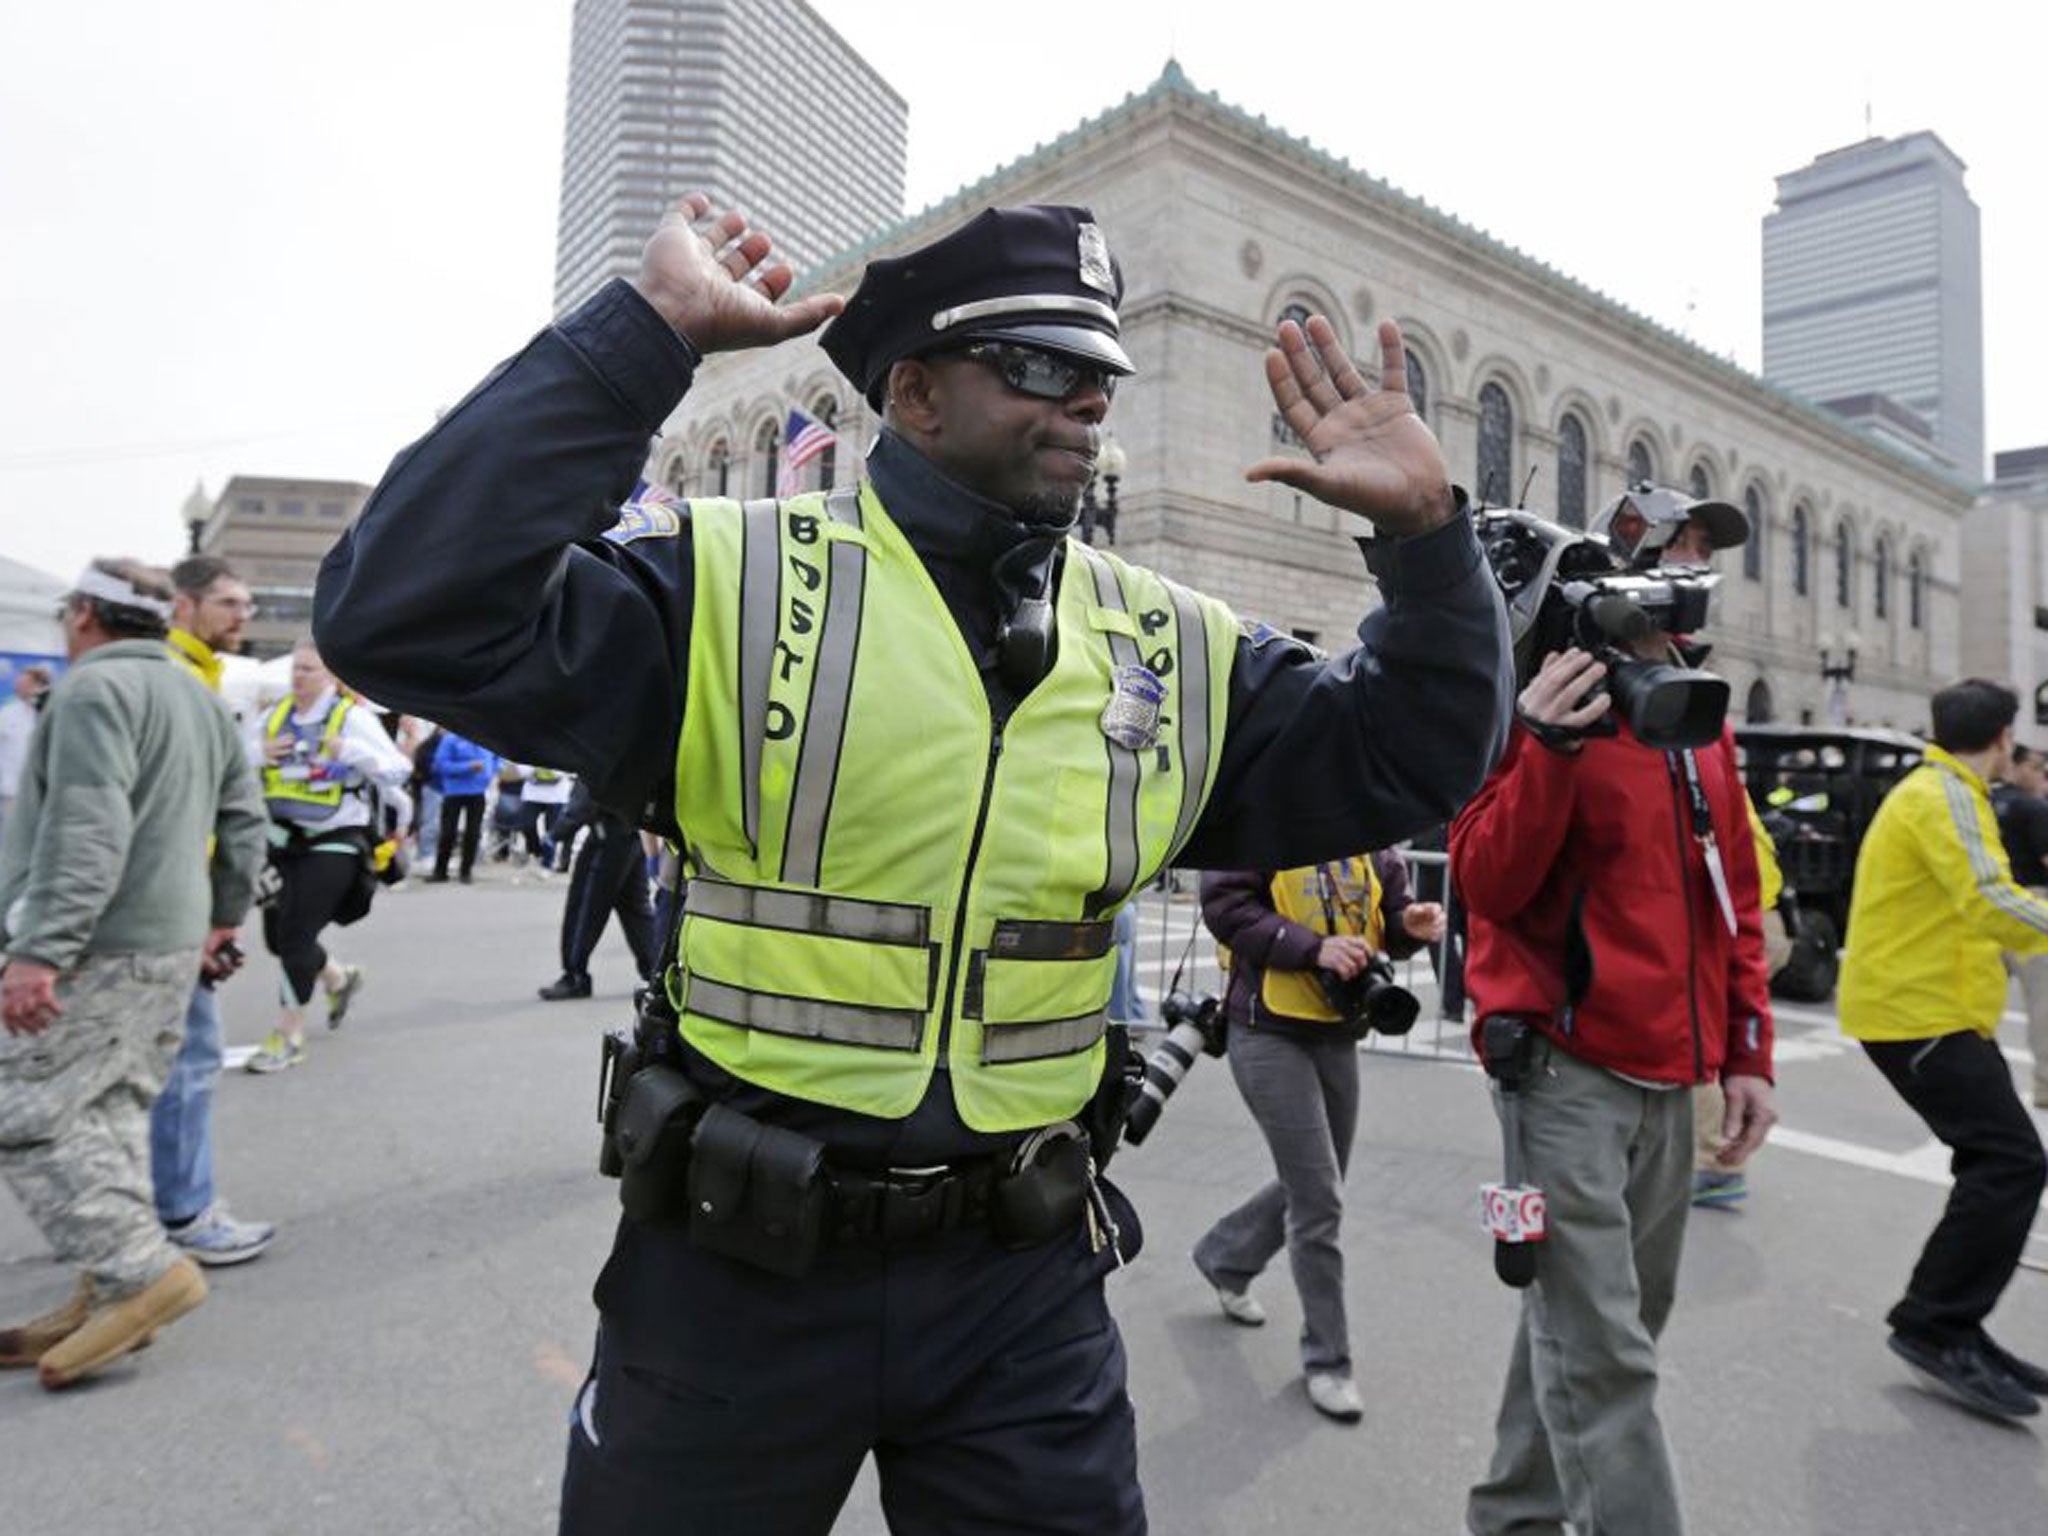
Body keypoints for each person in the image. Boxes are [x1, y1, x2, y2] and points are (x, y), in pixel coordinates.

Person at [313, 191, 1511, 1533]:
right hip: (729, 1282)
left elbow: (1413, 758)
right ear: (917, 392)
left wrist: (1426, 547)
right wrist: (637, 343)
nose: (1086, 406)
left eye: (1102, 377)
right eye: (1042, 369)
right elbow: (397, 615)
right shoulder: (725, 583)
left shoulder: (1176, 647)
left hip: (1025, 1290)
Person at [1455, 485, 1777, 1536]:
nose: (1683, 580)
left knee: (1604, 1327)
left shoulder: (1695, 713)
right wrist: (1545, 744)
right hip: (1560, 1073)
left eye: (1694, 562)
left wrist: (1747, 1051)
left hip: (1672, 1081)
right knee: (1604, 1356)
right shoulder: (1531, 699)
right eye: (1671, 551)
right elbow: (1487, 885)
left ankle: (1509, 1515)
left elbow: (1732, 892)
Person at [0, 560, 265, 1388]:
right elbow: (243, 814)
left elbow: (87, 829)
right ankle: (110, 1287)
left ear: (84, 615)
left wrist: (41, 950)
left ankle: (144, 1274)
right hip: (168, 941)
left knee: (27, 1109)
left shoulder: (88, 693)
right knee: (111, 1109)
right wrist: (222, 917)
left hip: (98, 943)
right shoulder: (194, 694)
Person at [1838, 678, 2048, 1420]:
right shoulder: (1945, 795)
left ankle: (1952, 1322)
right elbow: (1989, 896)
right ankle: (1935, 1324)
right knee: (2011, 1160)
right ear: (2001, 739)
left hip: (1936, 1012)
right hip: (1915, 1015)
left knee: (2000, 1161)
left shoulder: (1945, 790)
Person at [1192, 850, 1442, 1422]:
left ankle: (1226, 1257)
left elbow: (1390, 914)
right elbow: (1225, 905)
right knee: (1319, 1195)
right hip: (1266, 1033)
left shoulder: (1375, 838)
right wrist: (1313, 948)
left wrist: (1409, 926)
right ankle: (1328, 1361)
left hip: (1337, 1033)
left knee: (1317, 1184)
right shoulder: (1266, 812)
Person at [152, 556, 277, 1262]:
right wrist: (217, 914)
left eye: (249, 604)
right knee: (188, 1059)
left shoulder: (197, 676)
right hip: (176, 907)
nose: (242, 616)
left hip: (170, 901)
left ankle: (139, 1204)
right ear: (184, 605)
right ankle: (185, 1211)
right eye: (228, 603)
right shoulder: (181, 679)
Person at [244, 640, 412, 1073]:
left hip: (335, 840)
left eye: (309, 670)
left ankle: (288, 1035)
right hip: (281, 842)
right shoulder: (273, 717)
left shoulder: (351, 718)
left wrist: (353, 754)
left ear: (332, 677)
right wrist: (257, 754)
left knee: (296, 934)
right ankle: (339, 977)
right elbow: (233, 763)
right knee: (277, 940)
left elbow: (398, 770)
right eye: (296, 669)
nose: (299, 677)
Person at [1691, 797, 1792, 1209]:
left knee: (1690, 1045)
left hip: (1741, 922)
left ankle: (1717, 1164)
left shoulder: (1697, 771)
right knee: (1699, 1040)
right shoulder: (1721, 777)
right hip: (1761, 917)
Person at [538, 779, 658, 1001]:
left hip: (606, 839)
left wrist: (556, 832)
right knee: (636, 910)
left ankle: (575, 976)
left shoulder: (600, 747)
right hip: (631, 835)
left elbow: (587, 797)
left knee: (585, 907)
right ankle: (655, 973)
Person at [1990, 741, 2048, 1110]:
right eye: (2039, 767)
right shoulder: (2033, 807)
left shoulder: (1981, 802)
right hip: (2032, 906)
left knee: (1978, 1003)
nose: (2042, 775)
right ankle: (2045, 1087)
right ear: (2019, 766)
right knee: (2042, 1006)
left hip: (1987, 906)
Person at [424, 730, 496, 883]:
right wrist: (468, 767)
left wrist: (493, 771)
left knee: (473, 832)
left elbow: (495, 758)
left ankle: (466, 871)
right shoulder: (451, 739)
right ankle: (440, 871)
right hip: (454, 791)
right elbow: (440, 765)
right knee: (448, 832)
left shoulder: (486, 739)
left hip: (478, 792)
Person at [0, 664, 53, 841]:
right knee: (12, 842)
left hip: (43, 793)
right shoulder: (6, 714)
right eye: (18, 683)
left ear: (39, 686)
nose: (18, 687)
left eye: (24, 683)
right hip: (11, 792)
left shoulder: (50, 713)